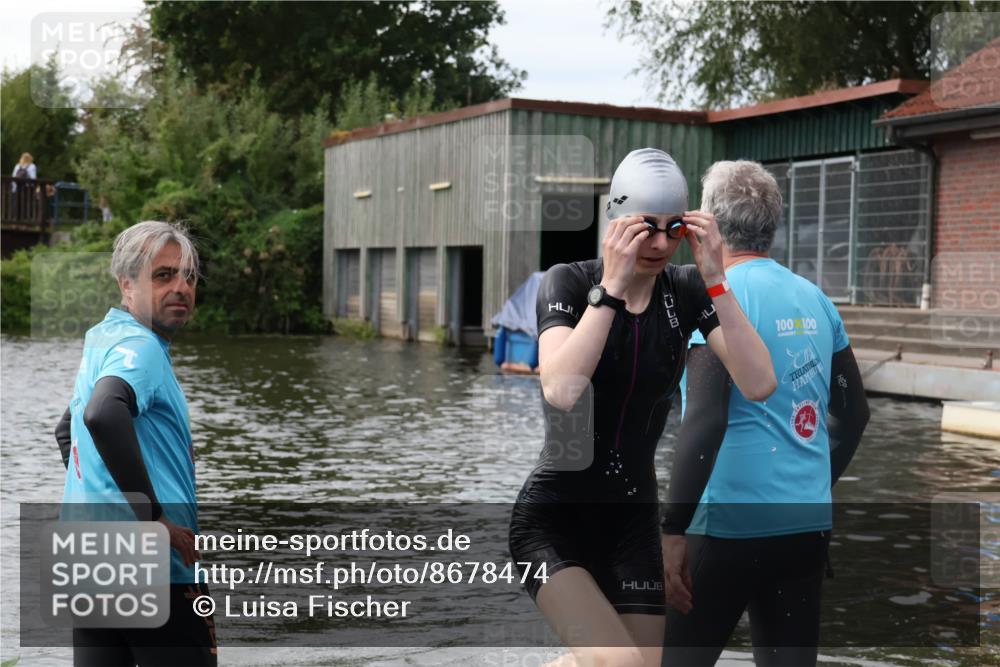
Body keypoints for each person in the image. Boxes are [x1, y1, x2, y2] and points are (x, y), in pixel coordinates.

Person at [508, 148, 777, 667]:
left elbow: (760, 381)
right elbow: (561, 389)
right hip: (552, 522)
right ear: (616, 220)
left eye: (673, 228)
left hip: (631, 523)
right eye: (644, 228)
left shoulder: (687, 290)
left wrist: (717, 279)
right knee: (620, 663)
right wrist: (610, 289)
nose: (659, 244)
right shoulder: (567, 281)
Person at [659, 161, 870, 667]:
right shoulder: (816, 299)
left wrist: (671, 532)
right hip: (805, 528)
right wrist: (812, 487)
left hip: (725, 527)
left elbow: (706, 420)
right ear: (773, 221)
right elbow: (854, 414)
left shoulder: (712, 299)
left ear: (706, 221)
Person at [54, 220, 217, 666]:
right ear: (126, 284)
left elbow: (68, 432)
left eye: (188, 276)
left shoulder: (103, 338)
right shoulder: (141, 348)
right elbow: (103, 414)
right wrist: (153, 515)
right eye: (163, 275)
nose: (181, 287)